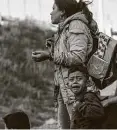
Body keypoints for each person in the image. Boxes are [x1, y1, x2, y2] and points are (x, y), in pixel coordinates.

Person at [31, 0, 97, 128]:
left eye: (54, 8)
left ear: (62, 12)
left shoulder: (76, 25)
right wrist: (50, 53)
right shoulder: (64, 29)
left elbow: (77, 57)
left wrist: (49, 55)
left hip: (77, 89)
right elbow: (67, 57)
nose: (51, 12)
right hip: (65, 88)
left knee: (79, 126)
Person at [67, 64, 104, 129]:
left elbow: (97, 112)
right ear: (68, 84)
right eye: (71, 79)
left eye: (79, 79)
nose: (75, 82)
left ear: (88, 83)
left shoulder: (89, 96)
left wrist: (79, 106)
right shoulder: (77, 99)